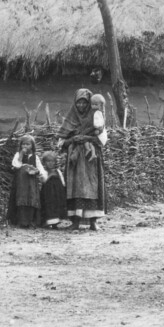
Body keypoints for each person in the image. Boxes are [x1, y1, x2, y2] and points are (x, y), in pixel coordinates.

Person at [58, 88, 108, 231]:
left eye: (84, 103)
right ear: (75, 103)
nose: (81, 106)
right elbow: (62, 143)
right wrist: (73, 139)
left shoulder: (96, 118)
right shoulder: (70, 118)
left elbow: (102, 140)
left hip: (90, 159)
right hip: (75, 160)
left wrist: (86, 138)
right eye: (78, 102)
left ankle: (93, 222)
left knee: (92, 187)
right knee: (75, 188)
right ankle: (75, 222)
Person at [7, 135, 47, 228]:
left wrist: (39, 172)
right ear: (20, 145)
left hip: (31, 182)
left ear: (32, 146)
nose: (25, 146)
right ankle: (21, 221)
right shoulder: (17, 155)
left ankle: (31, 221)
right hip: (21, 182)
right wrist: (21, 154)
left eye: (28, 144)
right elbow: (16, 165)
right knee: (21, 199)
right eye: (23, 144)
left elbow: (40, 167)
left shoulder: (35, 157)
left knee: (32, 199)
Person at [40, 151, 67, 229]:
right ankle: (47, 222)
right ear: (44, 162)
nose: (50, 163)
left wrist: (63, 189)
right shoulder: (44, 172)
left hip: (57, 193)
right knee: (48, 207)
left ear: (55, 162)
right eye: (48, 161)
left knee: (56, 207)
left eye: (52, 161)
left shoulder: (57, 171)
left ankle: (56, 223)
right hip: (47, 194)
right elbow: (43, 181)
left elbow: (62, 181)